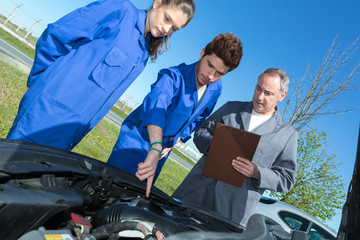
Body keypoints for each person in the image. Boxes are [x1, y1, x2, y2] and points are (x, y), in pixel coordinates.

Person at [7, 0, 195, 151]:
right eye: (167, 18)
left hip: (72, 130)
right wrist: (37, 82)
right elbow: (57, 35)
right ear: (157, 3)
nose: (166, 29)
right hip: (45, 114)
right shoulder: (119, 10)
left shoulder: (142, 55)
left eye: (174, 29)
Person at [107, 32, 243, 197]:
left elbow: (200, 117)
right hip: (136, 140)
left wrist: (177, 139)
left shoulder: (216, 88)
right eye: (209, 65)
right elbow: (156, 109)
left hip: (163, 150)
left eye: (219, 73)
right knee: (111, 188)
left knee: (135, 198)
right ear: (202, 53)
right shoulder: (172, 77)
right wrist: (155, 146)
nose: (210, 75)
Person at [172, 68, 298, 228]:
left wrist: (257, 172)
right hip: (194, 193)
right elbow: (201, 131)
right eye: (258, 88)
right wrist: (215, 146)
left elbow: (286, 179)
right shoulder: (231, 108)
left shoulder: (287, 135)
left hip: (230, 213)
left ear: (281, 96)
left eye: (268, 93)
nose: (260, 97)